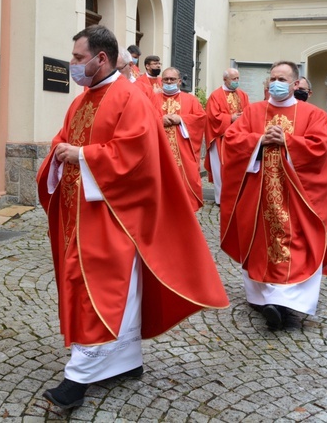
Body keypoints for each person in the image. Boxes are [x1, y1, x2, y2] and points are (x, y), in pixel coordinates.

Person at [37, 25, 229, 409]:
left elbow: (136, 153)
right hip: (79, 212)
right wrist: (60, 150)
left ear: (101, 58)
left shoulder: (130, 97)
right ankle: (125, 360)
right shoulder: (82, 99)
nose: (73, 65)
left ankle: (79, 376)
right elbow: (65, 136)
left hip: (114, 215)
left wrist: (85, 156)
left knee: (103, 290)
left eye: (78, 58)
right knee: (107, 290)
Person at [219, 60, 327, 331]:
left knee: (296, 245)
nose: (276, 83)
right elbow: (233, 140)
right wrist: (259, 140)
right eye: (273, 78)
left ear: (296, 84)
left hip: (297, 199)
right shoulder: (253, 111)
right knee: (263, 245)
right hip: (260, 197)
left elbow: (321, 148)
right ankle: (268, 299)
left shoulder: (313, 114)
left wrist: (287, 141)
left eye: (283, 79)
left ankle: (286, 303)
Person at [152, 67, 206, 211]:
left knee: (185, 186)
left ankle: (184, 213)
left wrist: (181, 119)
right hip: (158, 151)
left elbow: (200, 119)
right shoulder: (152, 99)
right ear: (161, 81)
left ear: (179, 81)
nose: (169, 82)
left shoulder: (191, 100)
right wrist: (159, 120)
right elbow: (142, 119)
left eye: (172, 79)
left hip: (183, 153)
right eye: (166, 79)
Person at [204, 68, 250, 206]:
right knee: (220, 169)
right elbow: (212, 117)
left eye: (237, 78)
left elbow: (248, 112)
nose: (237, 81)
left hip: (238, 138)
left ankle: (237, 196)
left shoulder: (242, 95)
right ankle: (220, 199)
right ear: (225, 79)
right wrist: (231, 118)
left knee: (237, 169)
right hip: (220, 137)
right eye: (233, 79)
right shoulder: (216, 96)